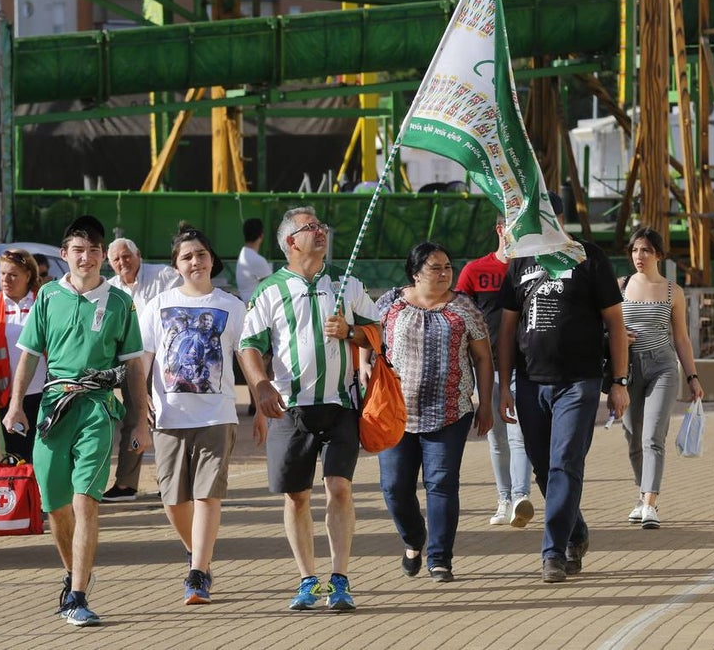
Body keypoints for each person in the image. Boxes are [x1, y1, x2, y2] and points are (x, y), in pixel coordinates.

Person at [3, 215, 148, 628]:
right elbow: (29, 356)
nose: (86, 258)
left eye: (94, 251)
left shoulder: (120, 302)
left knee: (86, 501)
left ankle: (79, 595)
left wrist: (140, 422)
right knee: (57, 506)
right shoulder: (48, 297)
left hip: (98, 408)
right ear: (64, 255)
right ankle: (74, 573)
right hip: (53, 408)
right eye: (78, 250)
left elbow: (133, 366)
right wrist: (16, 406)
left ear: (103, 256)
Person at [238, 206, 378, 612]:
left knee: (339, 487)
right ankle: (306, 579)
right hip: (290, 410)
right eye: (309, 228)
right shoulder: (269, 290)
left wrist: (351, 332)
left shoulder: (346, 283)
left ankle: (340, 578)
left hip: (340, 406)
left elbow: (377, 332)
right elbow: (248, 345)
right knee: (297, 496)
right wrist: (261, 385)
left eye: (320, 226)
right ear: (289, 242)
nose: (320, 231)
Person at [496, 191, 629, 584]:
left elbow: (616, 325)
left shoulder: (588, 256)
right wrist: (505, 387)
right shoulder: (520, 261)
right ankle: (576, 530)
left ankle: (552, 552)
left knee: (565, 463)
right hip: (531, 382)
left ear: (556, 216)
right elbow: (506, 331)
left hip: (579, 381)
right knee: (542, 466)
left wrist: (618, 382)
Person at [139, 225, 264, 605]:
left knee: (207, 495)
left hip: (216, 414)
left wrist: (260, 404)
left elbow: (248, 356)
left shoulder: (231, 306)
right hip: (169, 415)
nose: (196, 261)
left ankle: (197, 574)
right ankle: (199, 555)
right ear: (176, 265)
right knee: (173, 500)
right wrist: (138, 397)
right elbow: (143, 355)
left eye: (201, 254)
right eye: (187, 256)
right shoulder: (158, 305)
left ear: (212, 259)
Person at [372, 242, 493, 583]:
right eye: (434, 268)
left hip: (450, 412)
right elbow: (367, 343)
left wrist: (485, 403)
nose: (443, 274)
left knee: (441, 484)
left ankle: (440, 558)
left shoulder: (465, 308)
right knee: (394, 487)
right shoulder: (389, 305)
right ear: (415, 273)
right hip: (395, 412)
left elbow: (483, 357)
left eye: (447, 267)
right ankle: (414, 539)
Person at [617, 228, 705, 530]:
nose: (639, 257)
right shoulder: (619, 287)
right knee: (632, 434)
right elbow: (601, 328)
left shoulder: (673, 292)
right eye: (635, 250)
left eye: (646, 251)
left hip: (662, 368)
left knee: (653, 434)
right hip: (627, 370)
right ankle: (642, 495)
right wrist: (615, 338)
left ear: (659, 254)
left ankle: (651, 503)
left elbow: (681, 338)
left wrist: (692, 377)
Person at [456, 213, 535, 528]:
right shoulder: (476, 270)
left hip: (523, 364)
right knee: (496, 437)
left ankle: (520, 497)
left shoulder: (531, 269)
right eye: (514, 228)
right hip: (486, 365)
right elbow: (459, 312)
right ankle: (504, 498)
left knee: (519, 435)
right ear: (500, 229)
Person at [103, 236, 182, 502]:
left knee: (167, 423)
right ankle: (126, 484)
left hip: (166, 363)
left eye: (127, 256)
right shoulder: (110, 289)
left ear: (138, 254)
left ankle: (171, 482)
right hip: (132, 364)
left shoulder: (165, 277)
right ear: (110, 263)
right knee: (135, 421)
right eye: (116, 259)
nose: (123, 262)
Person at [0, 248, 47, 463]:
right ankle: (23, 496)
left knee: (44, 451)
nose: (6, 279)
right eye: (3, 273)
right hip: (7, 395)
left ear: (28, 276)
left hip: (44, 391)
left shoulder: (42, 302)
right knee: (16, 454)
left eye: (13, 274)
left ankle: (44, 495)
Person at [236, 217, 272, 302]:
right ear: (261, 235)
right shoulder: (257, 259)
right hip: (255, 306)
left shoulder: (244, 253)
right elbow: (272, 286)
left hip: (247, 302)